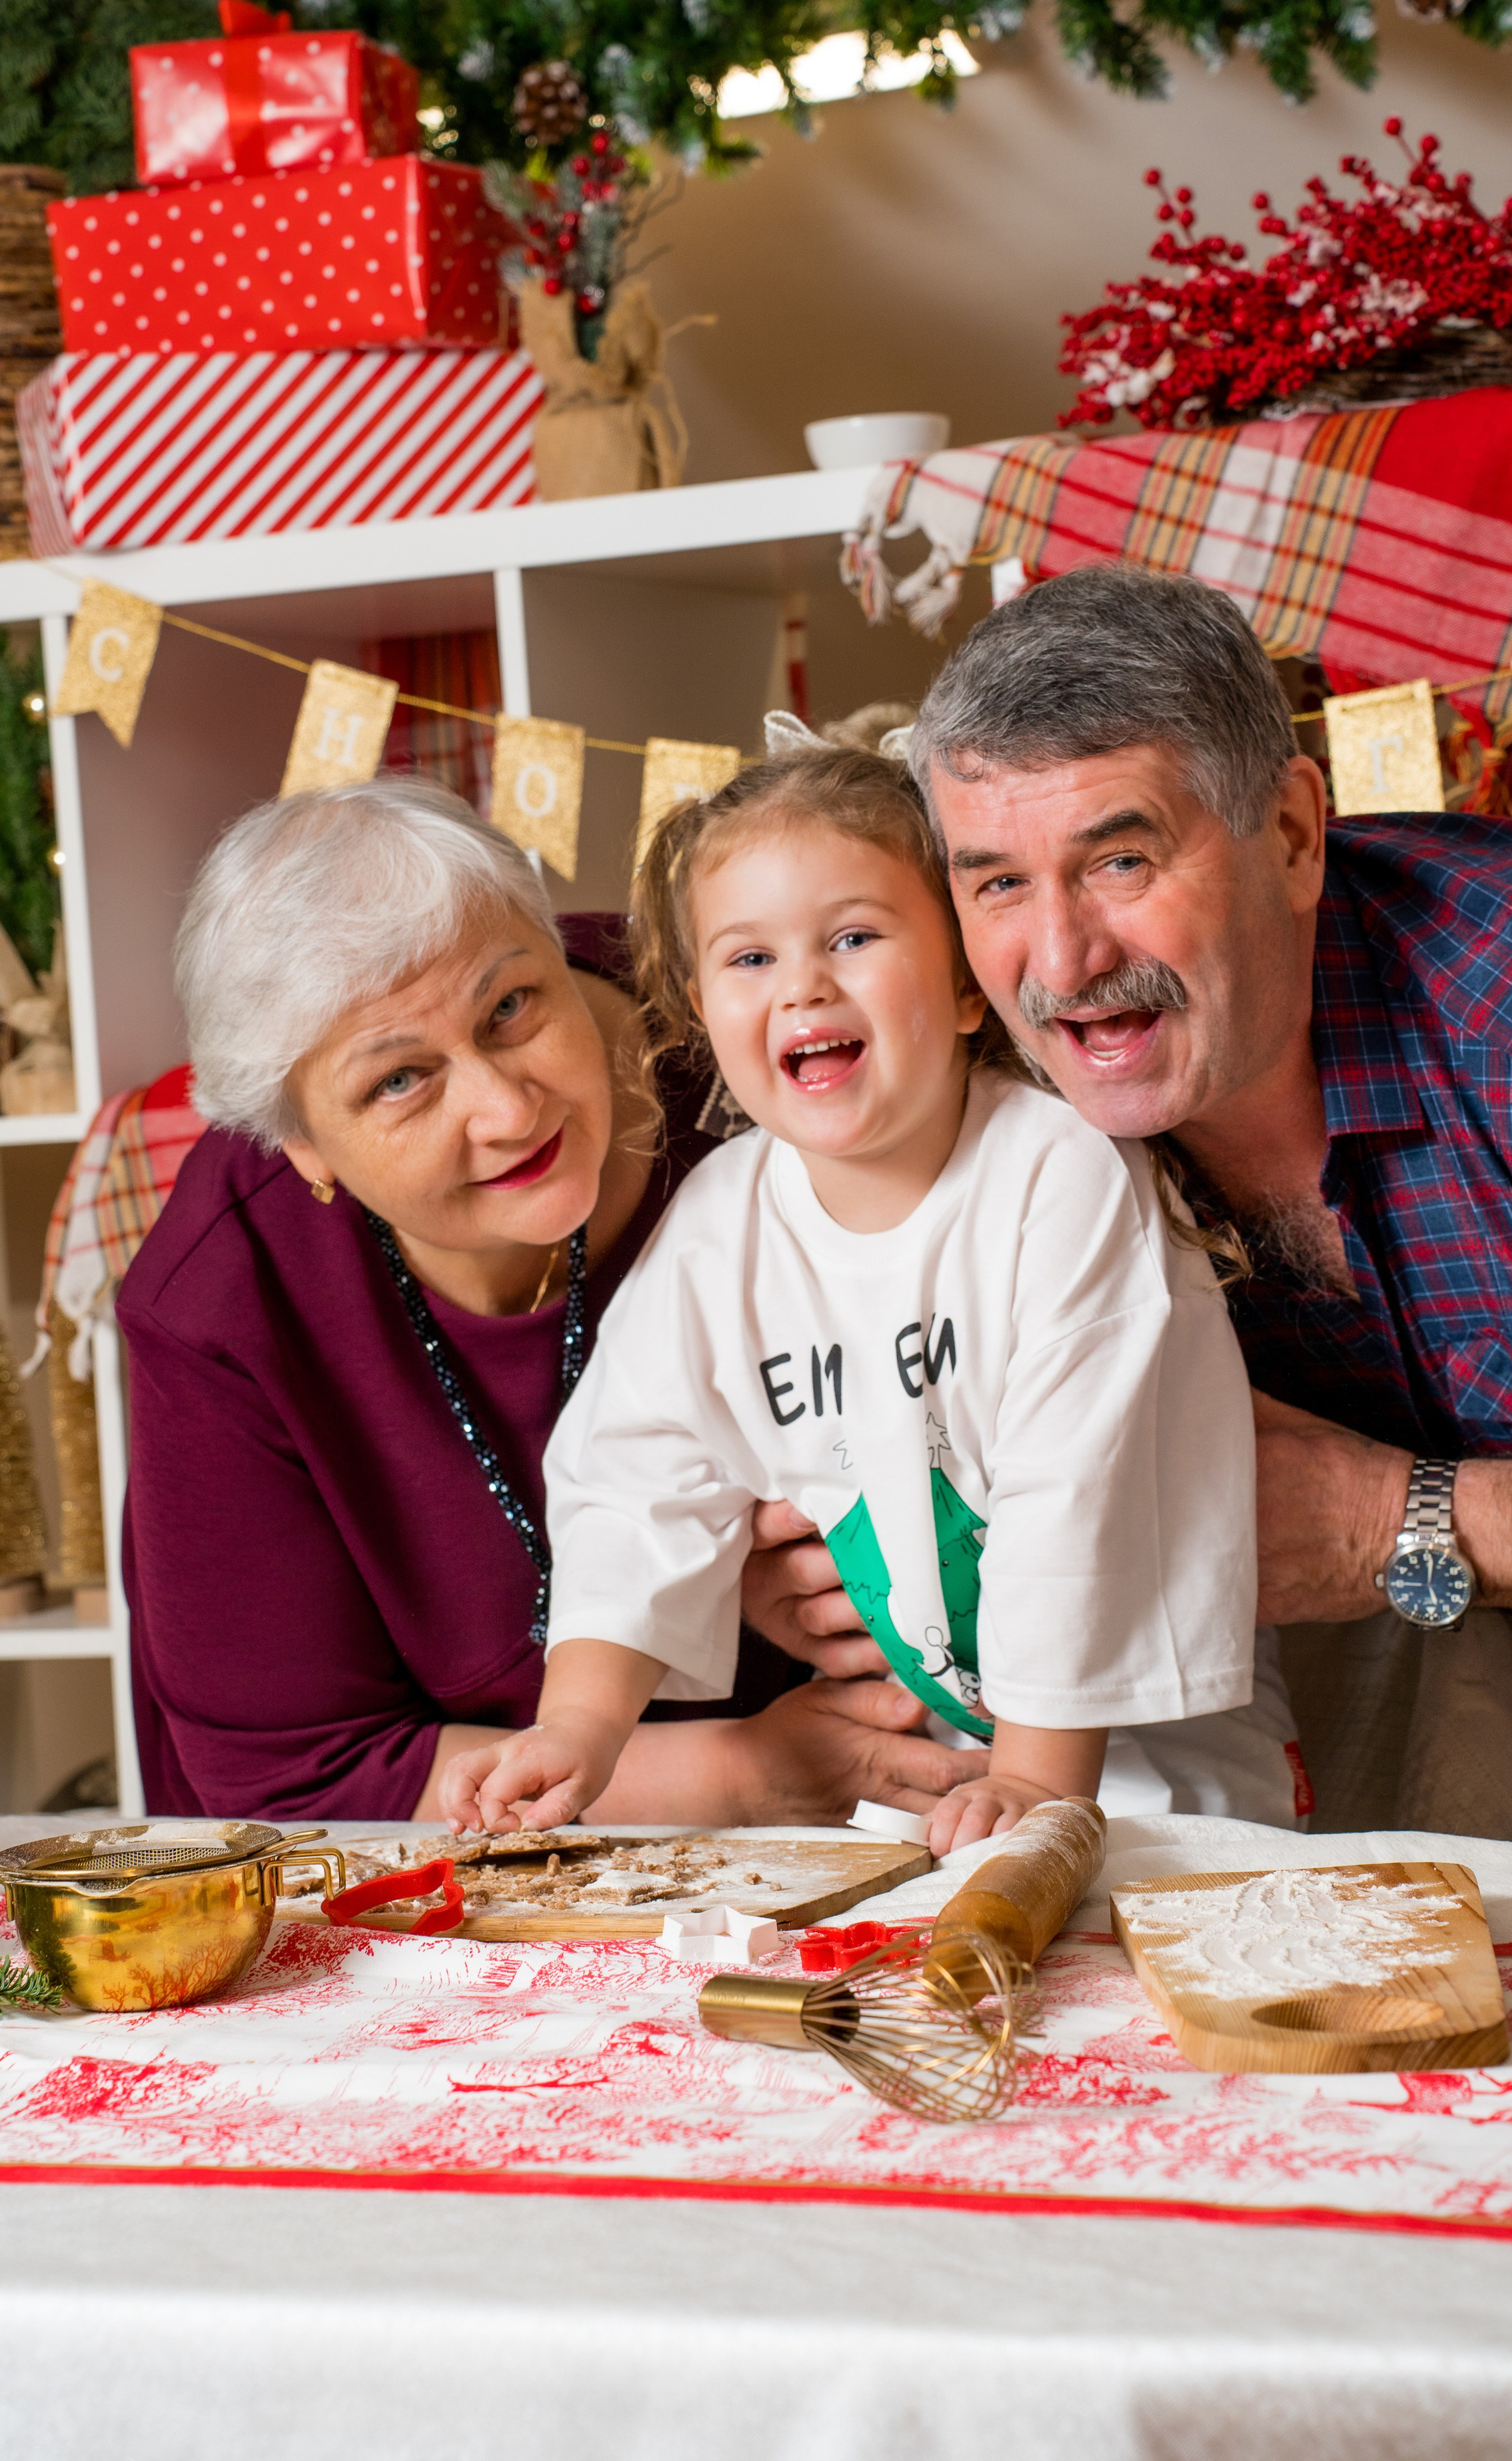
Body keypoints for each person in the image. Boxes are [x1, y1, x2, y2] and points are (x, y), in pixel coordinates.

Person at [442, 744, 1276, 1857]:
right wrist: (583, 1728)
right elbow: (633, 1480)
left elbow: (1084, 1496)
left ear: (966, 979)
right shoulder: (720, 1227)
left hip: (1157, 1771)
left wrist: (1039, 1779)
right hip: (944, 1787)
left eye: (853, 938)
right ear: (701, 1010)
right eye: (749, 958)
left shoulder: (1056, 1174)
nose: (803, 987)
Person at [117, 776, 992, 1823]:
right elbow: (293, 1774)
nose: (505, 1108)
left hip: (933, 1770)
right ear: (300, 1143)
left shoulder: (771, 1029)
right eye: (400, 1082)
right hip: (474, 1866)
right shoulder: (223, 1297)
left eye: (512, 1008)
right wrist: (743, 1775)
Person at [887, 560, 1512, 1841]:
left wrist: (1394, 1520)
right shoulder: (967, 1108)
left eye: (1122, 860)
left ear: (1297, 835)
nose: (1064, 962)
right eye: (995, 884)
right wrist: (812, 1552)